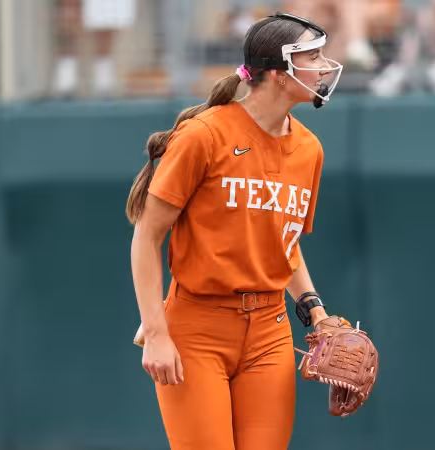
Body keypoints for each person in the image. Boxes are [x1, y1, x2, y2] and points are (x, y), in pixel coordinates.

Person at [126, 12, 344, 450]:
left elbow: (284, 243)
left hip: (270, 330)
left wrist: (315, 311)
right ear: (278, 73)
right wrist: (156, 332)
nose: (324, 65)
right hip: (198, 326)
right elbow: (147, 237)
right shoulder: (204, 135)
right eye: (312, 56)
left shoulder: (309, 149)